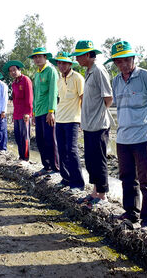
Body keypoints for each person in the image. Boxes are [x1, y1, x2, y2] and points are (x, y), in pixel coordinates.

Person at [107, 41, 147, 228]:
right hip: (123, 137)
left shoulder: (146, 76)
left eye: (126, 60)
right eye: (118, 61)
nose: (123, 64)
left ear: (133, 59)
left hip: (144, 136)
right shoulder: (115, 81)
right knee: (127, 177)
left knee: (146, 179)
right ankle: (131, 213)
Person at [72, 40, 113, 208]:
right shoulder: (89, 71)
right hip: (88, 124)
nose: (77, 59)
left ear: (88, 55)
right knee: (90, 160)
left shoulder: (99, 70)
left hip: (99, 125)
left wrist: (98, 113)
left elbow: (108, 98)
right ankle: (95, 191)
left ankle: (102, 195)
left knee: (99, 160)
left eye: (79, 56)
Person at [50, 51, 85, 191]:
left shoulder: (78, 78)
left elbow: (83, 98)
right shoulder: (59, 80)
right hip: (61, 119)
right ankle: (66, 178)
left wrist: (83, 118)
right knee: (62, 150)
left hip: (73, 119)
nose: (61, 65)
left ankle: (78, 183)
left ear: (70, 64)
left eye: (64, 63)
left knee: (72, 150)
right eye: (59, 63)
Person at [29, 47, 59, 177]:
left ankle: (55, 167)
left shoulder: (51, 71)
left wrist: (51, 111)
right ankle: (45, 166)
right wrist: (34, 113)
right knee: (40, 140)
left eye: (39, 56)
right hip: (39, 111)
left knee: (50, 140)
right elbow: (35, 94)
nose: (37, 59)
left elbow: (53, 92)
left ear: (45, 57)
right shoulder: (37, 73)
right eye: (35, 57)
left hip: (48, 111)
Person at [4, 60, 33, 163]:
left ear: (19, 70)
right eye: (11, 71)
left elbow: (29, 98)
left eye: (14, 70)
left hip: (24, 114)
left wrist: (28, 113)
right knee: (17, 136)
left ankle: (25, 158)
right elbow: (15, 100)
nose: (13, 72)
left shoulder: (25, 80)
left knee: (25, 137)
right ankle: (20, 156)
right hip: (16, 113)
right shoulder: (14, 83)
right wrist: (13, 114)